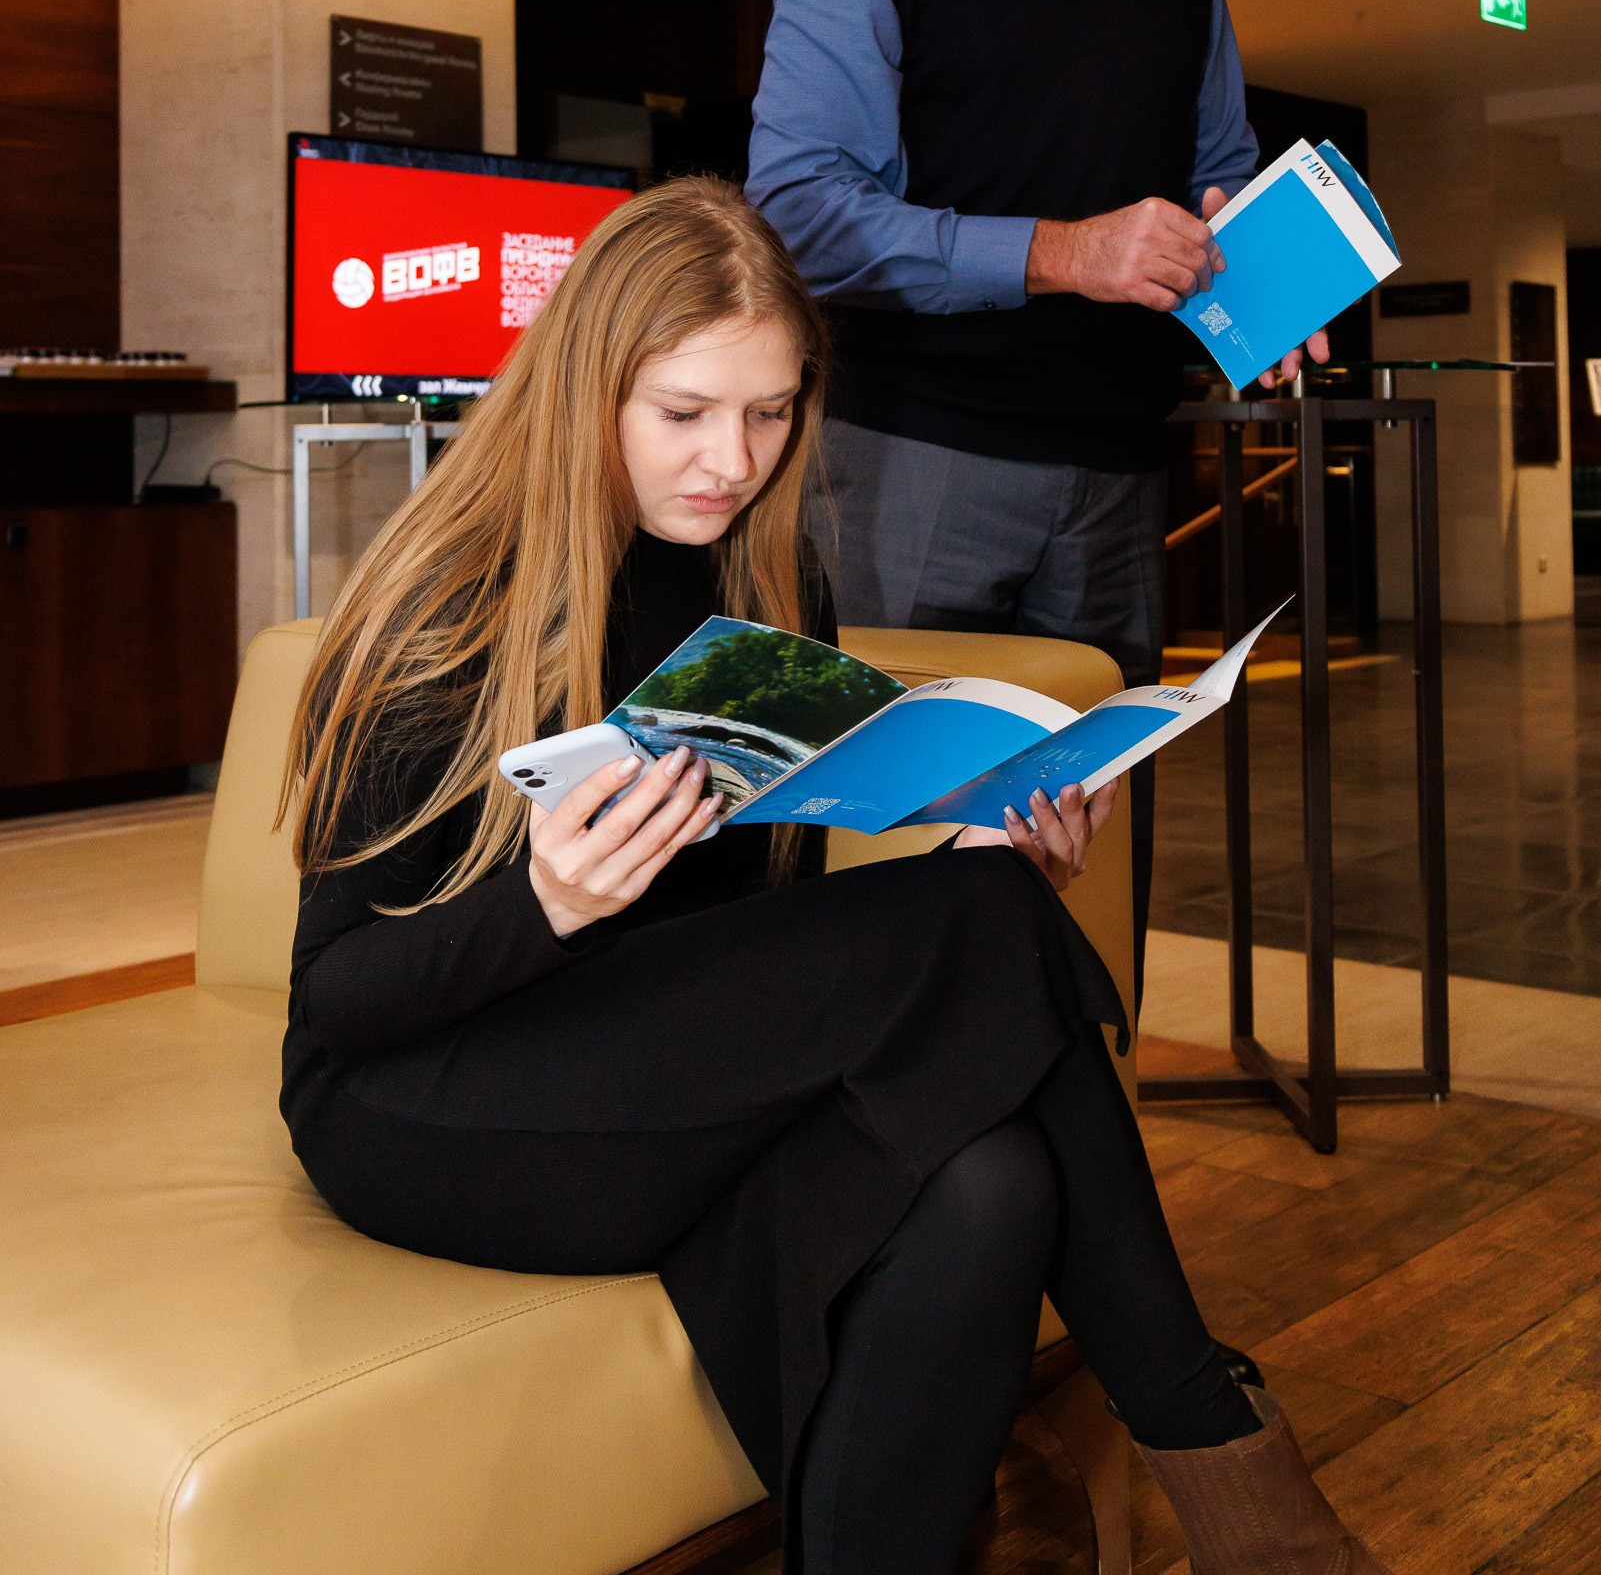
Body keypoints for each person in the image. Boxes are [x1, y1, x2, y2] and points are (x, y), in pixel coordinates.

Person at [278, 178, 1381, 1575]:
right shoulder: (443, 607)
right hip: (426, 1103)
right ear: (583, 391)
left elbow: (751, 921)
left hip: (655, 1057)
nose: (730, 460)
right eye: (684, 412)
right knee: (977, 940)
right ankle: (1224, 1461)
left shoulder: (765, 567)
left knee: (989, 1179)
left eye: (771, 411)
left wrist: (973, 860)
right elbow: (336, 1005)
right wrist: (547, 904)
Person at [747, 0, 1328, 1001]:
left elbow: (1214, 164)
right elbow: (797, 213)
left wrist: (1266, 277)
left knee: (1080, 846)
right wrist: (1064, 253)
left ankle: (1057, 1095)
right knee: (894, 843)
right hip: (915, 465)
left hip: (1120, 472)